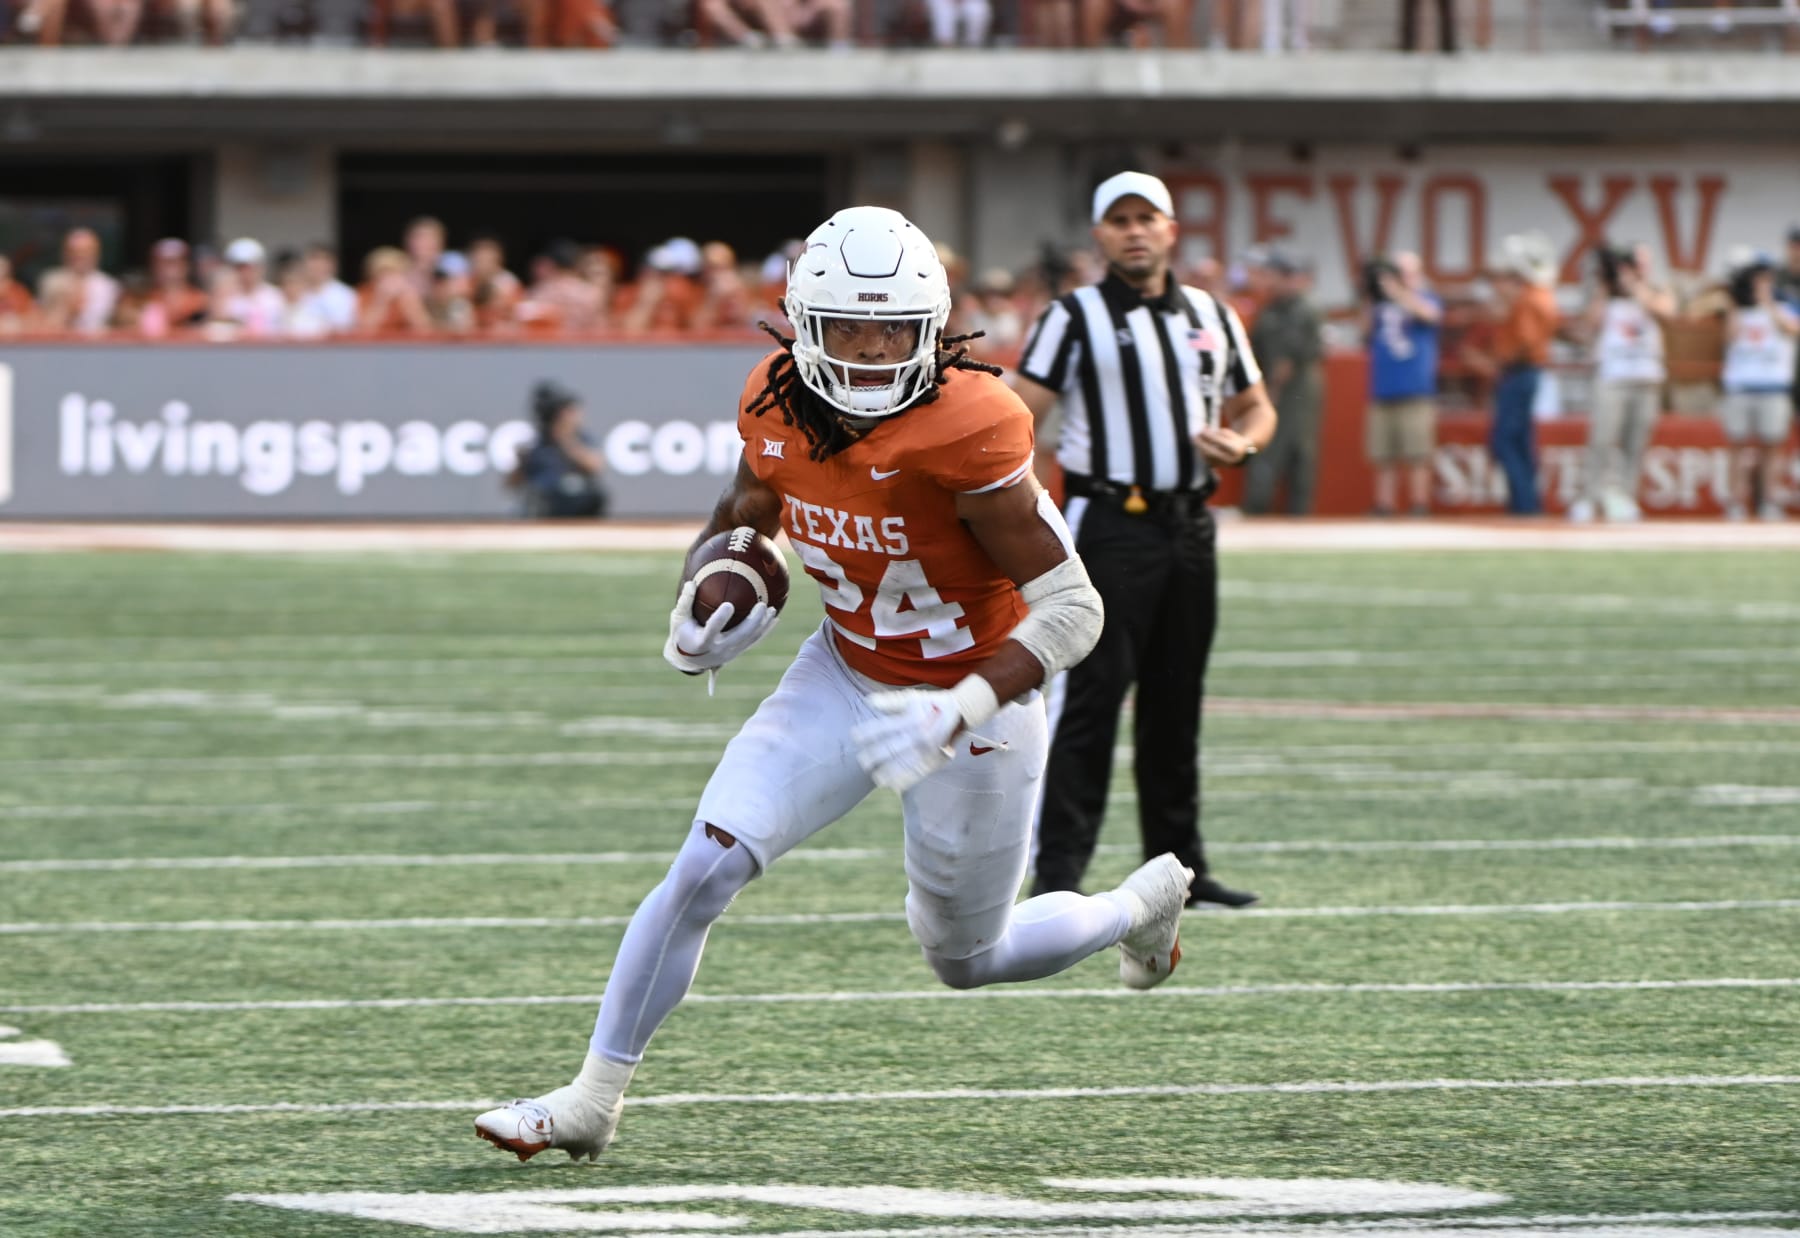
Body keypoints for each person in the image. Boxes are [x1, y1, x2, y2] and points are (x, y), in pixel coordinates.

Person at [474, 205, 1193, 1164]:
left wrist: (962, 701)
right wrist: (701, 599)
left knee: (966, 960)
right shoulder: (774, 401)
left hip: (976, 698)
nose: (865, 352)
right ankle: (591, 1101)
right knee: (704, 866)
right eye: (846, 328)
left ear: (931, 331)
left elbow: (1073, 610)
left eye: (890, 330)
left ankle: (1137, 909)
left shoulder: (971, 422)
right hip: (846, 667)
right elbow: (743, 514)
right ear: (802, 326)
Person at [1013, 171, 1276, 910]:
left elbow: (1256, 406)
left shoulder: (1212, 314)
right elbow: (1017, 414)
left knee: (1176, 698)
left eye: (1146, 217)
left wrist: (1243, 445)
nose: (1134, 230)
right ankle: (1057, 872)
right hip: (1111, 522)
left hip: (1189, 521)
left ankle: (1182, 868)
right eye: (1119, 219)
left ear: (1171, 229)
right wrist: (1025, 511)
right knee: (1092, 698)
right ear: (1099, 234)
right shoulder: (1074, 316)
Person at [1573, 242, 1675, 523]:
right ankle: (1590, 497)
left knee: (1636, 441)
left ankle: (1625, 496)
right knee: (1601, 438)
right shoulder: (1607, 293)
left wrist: (1636, 287)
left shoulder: (1655, 288)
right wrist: (1606, 287)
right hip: (1612, 376)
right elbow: (1588, 325)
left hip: (1645, 376)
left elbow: (1667, 312)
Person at [1718, 252, 1798, 521]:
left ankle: (1769, 501)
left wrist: (1768, 303)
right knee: (1737, 444)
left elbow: (1791, 329)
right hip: (1741, 385)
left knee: (1772, 446)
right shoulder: (1738, 307)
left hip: (1773, 386)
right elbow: (1728, 338)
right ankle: (1734, 501)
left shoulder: (1785, 303)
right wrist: (1738, 302)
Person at [1243, 249, 1324, 516]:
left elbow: (1287, 362)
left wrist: (1270, 392)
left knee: (1294, 449)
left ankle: (1297, 514)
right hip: (1272, 386)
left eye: (1272, 276)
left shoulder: (1302, 309)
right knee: (1270, 448)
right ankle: (1258, 508)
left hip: (1296, 388)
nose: (1267, 281)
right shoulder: (1271, 309)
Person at [1484, 232, 1559, 516]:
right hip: (1530, 372)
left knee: (1505, 440)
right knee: (1520, 440)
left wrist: (1504, 360)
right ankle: (1527, 502)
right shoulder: (1543, 295)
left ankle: (1524, 504)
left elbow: (1526, 341)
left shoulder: (1529, 298)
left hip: (1519, 371)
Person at [1364, 251, 1442, 517]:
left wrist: (1399, 292)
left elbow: (1430, 315)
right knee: (1383, 453)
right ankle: (1384, 504)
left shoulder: (1425, 297)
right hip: (1383, 388)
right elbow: (1364, 331)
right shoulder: (1380, 304)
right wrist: (1370, 293)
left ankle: (1418, 504)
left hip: (1415, 388)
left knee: (1417, 451)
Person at [507, 381, 610, 518]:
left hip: (576, 504)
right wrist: (521, 463)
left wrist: (565, 440)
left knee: (591, 496)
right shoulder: (537, 443)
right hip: (544, 503)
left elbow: (595, 466)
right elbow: (510, 485)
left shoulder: (579, 438)